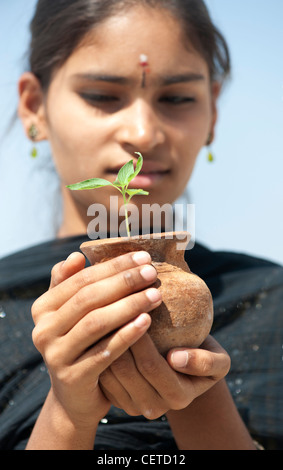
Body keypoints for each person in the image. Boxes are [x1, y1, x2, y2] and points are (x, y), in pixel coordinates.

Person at [0, 0, 282, 450]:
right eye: (101, 95)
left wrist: (194, 384)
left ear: (212, 114)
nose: (143, 133)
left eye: (176, 98)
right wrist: (67, 409)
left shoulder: (272, 304)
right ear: (34, 107)